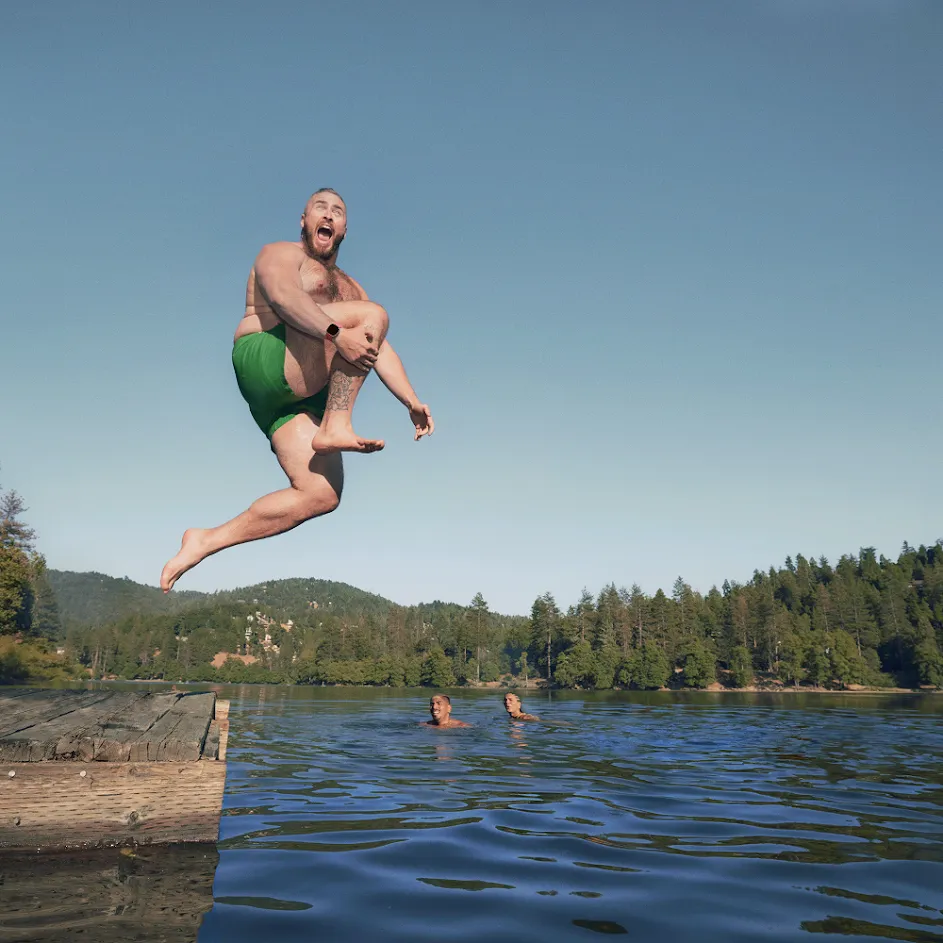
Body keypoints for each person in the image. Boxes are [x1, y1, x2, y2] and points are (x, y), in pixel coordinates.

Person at [160, 189, 433, 592]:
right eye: (319, 208)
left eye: (337, 211)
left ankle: (205, 540)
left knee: (320, 494)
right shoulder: (281, 254)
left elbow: (378, 345)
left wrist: (410, 400)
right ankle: (336, 424)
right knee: (371, 315)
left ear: (344, 228)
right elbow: (286, 299)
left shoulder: (352, 288)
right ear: (303, 220)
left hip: (296, 398)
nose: (328, 215)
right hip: (266, 358)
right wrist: (337, 334)